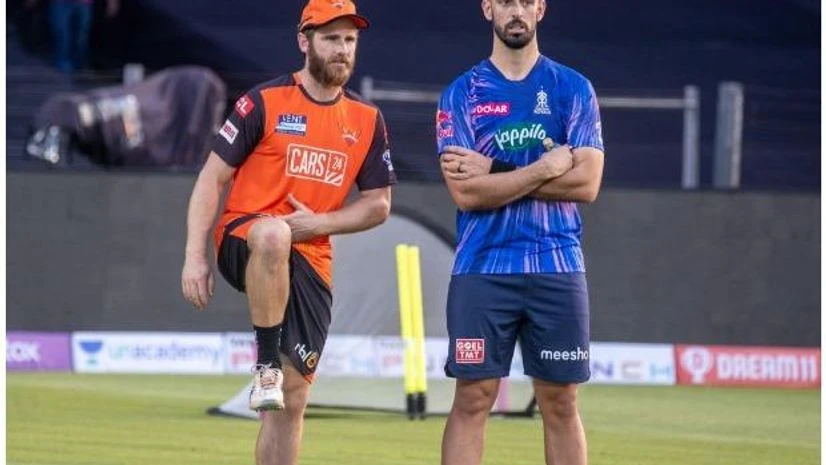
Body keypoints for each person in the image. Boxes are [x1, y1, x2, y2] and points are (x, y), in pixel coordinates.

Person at [180, 1, 395, 464]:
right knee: (275, 234)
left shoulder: (366, 119)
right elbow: (211, 178)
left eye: (350, 40)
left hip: (311, 257)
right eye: (331, 38)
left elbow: (379, 205)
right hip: (246, 237)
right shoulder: (263, 101)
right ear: (304, 41)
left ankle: (275, 379)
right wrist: (195, 256)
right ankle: (265, 363)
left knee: (293, 401)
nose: (343, 50)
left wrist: (320, 224)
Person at [436, 1, 605, 464]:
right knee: (472, 398)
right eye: (506, 1)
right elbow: (467, 194)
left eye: (526, 2)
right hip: (482, 269)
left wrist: (497, 168)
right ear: (488, 8)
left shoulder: (572, 89)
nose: (517, 11)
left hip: (557, 264)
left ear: (541, 9)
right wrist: (548, 167)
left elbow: (586, 183)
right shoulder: (461, 94)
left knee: (561, 402)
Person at [26, 0, 120, 72]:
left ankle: (79, 64)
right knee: (62, 34)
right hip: (60, 3)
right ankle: (63, 65)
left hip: (84, 3)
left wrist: (112, 2)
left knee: (81, 37)